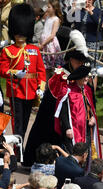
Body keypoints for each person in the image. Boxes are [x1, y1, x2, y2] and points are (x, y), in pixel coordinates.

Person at [22, 43, 88, 167]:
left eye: (82, 62)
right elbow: (58, 96)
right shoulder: (60, 74)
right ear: (71, 60)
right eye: (78, 62)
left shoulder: (76, 73)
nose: (80, 65)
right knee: (44, 136)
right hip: (51, 112)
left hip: (65, 113)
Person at [0, 3, 46, 139]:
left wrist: (41, 88)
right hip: (16, 90)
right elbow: (2, 69)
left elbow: (41, 71)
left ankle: (19, 142)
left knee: (25, 121)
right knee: (17, 120)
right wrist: (14, 73)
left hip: (31, 91)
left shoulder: (35, 50)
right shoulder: (8, 50)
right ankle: (18, 147)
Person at [54, 64, 101, 161]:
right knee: (72, 154)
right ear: (78, 77)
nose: (87, 78)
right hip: (73, 129)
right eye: (85, 76)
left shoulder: (88, 89)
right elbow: (62, 111)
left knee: (85, 154)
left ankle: (83, 173)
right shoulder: (67, 90)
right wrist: (67, 128)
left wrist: (93, 117)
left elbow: (91, 107)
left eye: (87, 76)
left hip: (87, 128)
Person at [39, 0, 64, 79]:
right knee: (45, 67)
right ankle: (45, 87)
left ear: (54, 8)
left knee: (53, 67)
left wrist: (43, 44)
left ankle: (55, 85)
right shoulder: (47, 17)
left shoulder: (56, 19)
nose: (47, 8)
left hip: (50, 44)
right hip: (44, 44)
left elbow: (52, 35)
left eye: (49, 7)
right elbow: (44, 30)